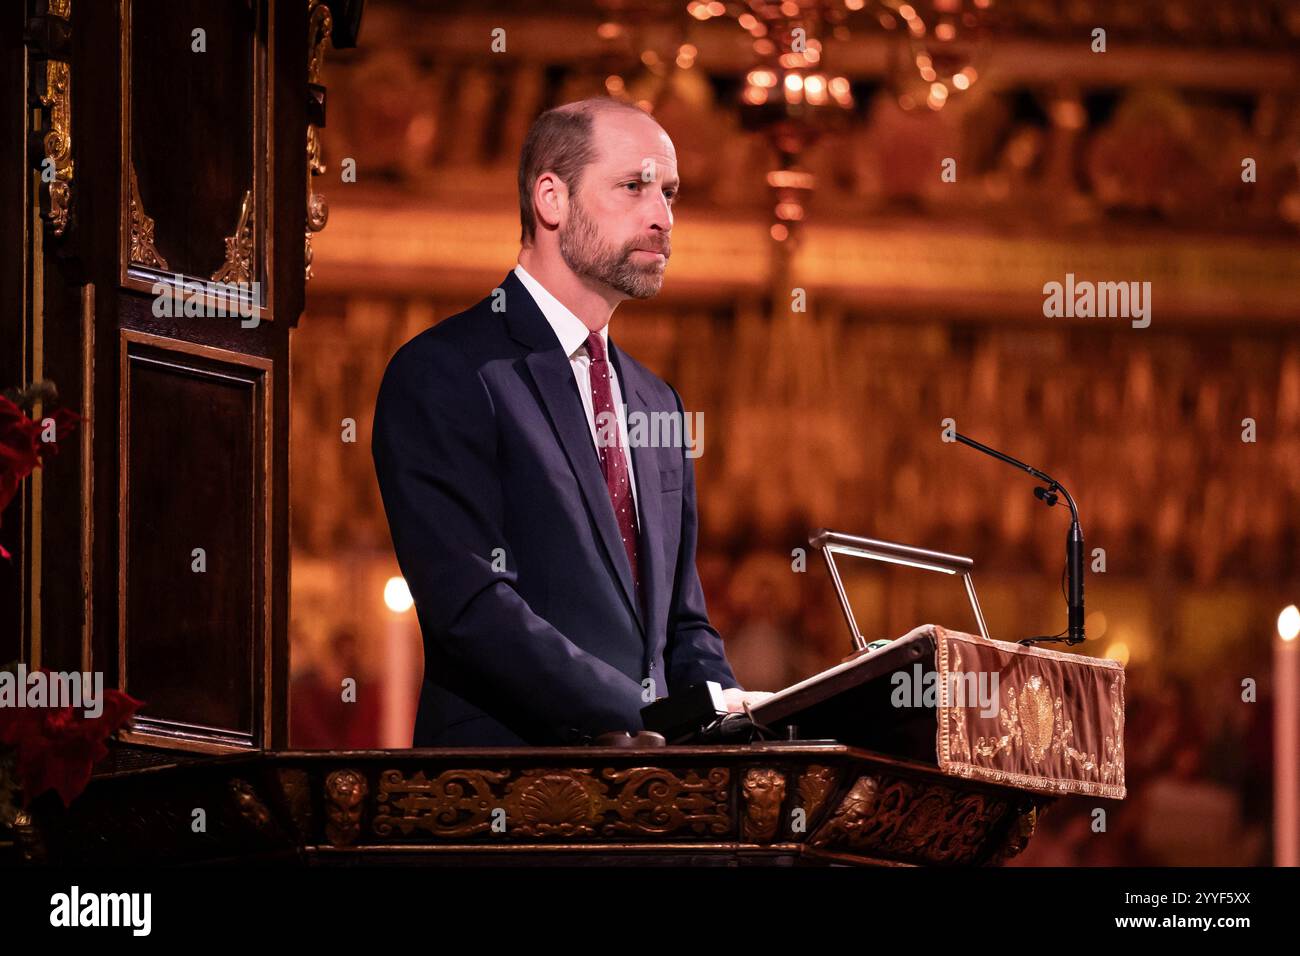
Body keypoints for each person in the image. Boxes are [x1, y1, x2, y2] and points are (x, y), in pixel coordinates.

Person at [372, 97, 772, 746]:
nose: (663, 217)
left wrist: (732, 721)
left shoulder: (656, 401)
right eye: (634, 186)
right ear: (551, 200)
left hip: (657, 809)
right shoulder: (446, 372)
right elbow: (472, 608)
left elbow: (683, 623)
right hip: (505, 803)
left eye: (669, 193)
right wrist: (648, 717)